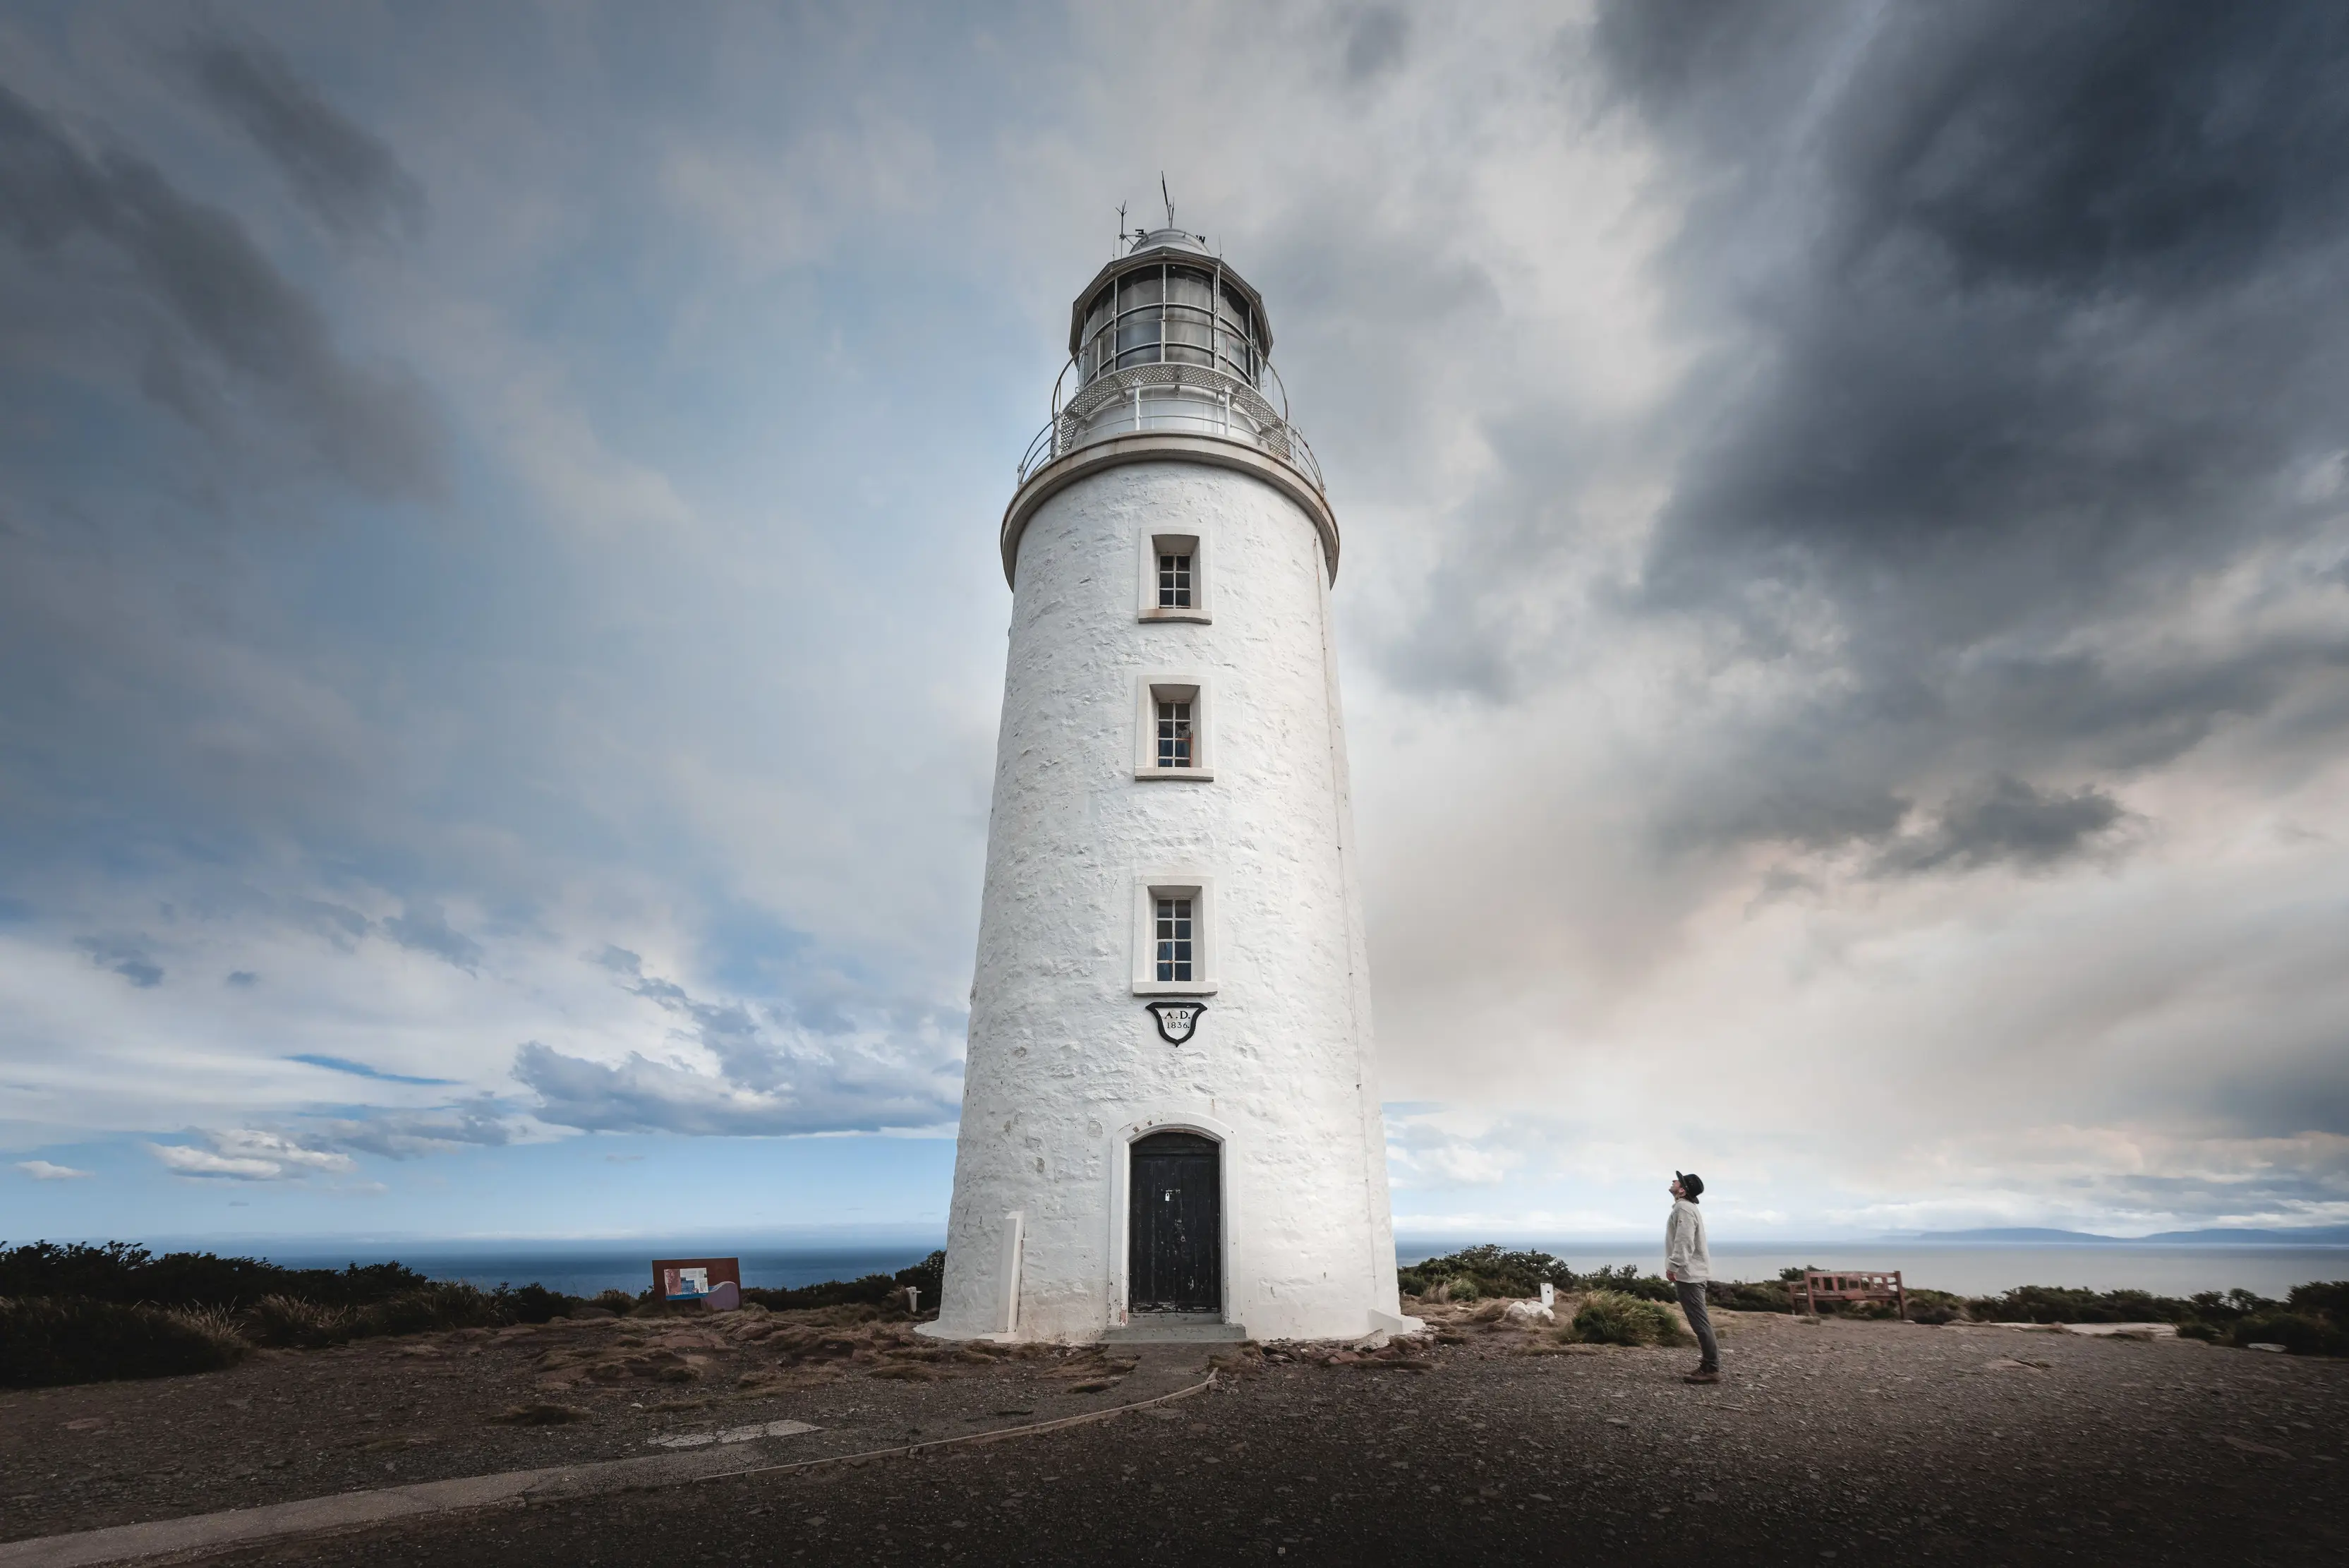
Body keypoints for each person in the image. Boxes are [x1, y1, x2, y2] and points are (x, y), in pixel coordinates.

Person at [1665, 1171, 1720, 1384]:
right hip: (1691, 1272)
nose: (1673, 1180)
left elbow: (1684, 1241)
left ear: (1683, 1190)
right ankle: (1708, 1366)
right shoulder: (1686, 1208)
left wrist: (1674, 1265)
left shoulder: (1684, 1208)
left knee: (1699, 1322)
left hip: (1690, 1275)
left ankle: (1712, 1368)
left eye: (1677, 1180)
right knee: (1699, 1321)